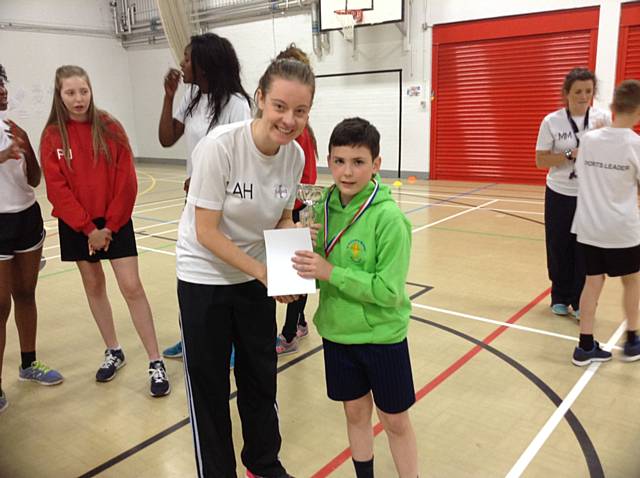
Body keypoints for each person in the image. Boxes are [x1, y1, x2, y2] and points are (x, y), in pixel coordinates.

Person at [175, 57, 313, 478]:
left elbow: (284, 218)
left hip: (254, 275)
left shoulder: (293, 158)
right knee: (210, 385)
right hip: (204, 277)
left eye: (300, 111)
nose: (289, 120)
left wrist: (289, 269)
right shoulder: (221, 146)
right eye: (279, 106)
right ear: (260, 99)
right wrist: (264, 272)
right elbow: (206, 232)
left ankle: (263, 462)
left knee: (260, 377)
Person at [293, 118, 419, 478]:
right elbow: (311, 271)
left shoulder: (389, 219)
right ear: (328, 161)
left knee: (394, 420)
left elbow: (389, 292)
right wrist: (299, 254)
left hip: (382, 337)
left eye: (358, 162)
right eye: (339, 161)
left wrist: (330, 272)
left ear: (376, 164)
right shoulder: (320, 208)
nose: (347, 172)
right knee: (355, 413)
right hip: (337, 333)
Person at [40, 65, 170, 397]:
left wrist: (109, 226)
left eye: (83, 90)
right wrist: (87, 228)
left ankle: (155, 360)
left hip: (114, 222)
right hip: (77, 227)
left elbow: (126, 179)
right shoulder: (53, 135)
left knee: (131, 287)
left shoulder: (110, 127)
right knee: (94, 286)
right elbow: (57, 188)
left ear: (90, 90)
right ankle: (113, 349)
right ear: (60, 95)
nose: (78, 98)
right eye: (70, 92)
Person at [159, 32, 252, 360]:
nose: (181, 64)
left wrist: (206, 181)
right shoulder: (192, 96)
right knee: (191, 272)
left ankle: (226, 344)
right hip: (194, 201)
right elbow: (167, 139)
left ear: (204, 65)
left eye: (187, 59)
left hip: (223, 206)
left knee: (219, 274)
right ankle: (191, 338)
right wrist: (169, 96)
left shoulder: (237, 105)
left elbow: (242, 161)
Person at [0, 64, 63, 413]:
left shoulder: (14, 127)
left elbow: (35, 180)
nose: (3, 90)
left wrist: (27, 150)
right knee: (0, 307)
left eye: (3, 83)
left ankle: (28, 364)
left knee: (25, 294)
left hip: (26, 217)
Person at [570, 79, 640, 366]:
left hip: (589, 226)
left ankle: (585, 346)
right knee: (632, 281)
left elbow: (581, 173)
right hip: (622, 229)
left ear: (612, 107)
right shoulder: (636, 145)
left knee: (592, 283)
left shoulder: (588, 139)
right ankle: (633, 340)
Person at [536, 67, 611, 320]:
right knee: (559, 246)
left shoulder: (603, 119)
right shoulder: (552, 121)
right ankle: (559, 296)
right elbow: (540, 160)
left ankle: (581, 301)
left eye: (588, 91)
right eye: (578, 91)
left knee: (585, 250)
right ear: (566, 93)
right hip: (559, 193)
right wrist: (570, 154)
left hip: (590, 195)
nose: (583, 96)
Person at [272, 43, 318, 356]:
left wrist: (293, 213)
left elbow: (306, 179)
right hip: (295, 205)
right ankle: (299, 322)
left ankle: (289, 333)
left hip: (300, 206)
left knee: (294, 274)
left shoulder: (297, 132)